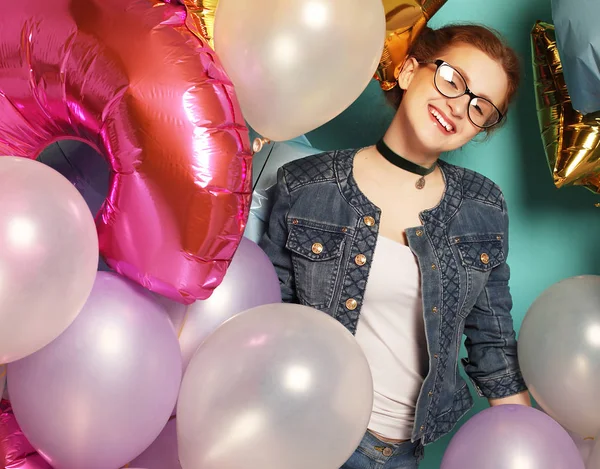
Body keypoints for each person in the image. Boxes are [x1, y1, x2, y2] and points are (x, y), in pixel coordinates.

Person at [259, 24, 531, 469]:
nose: (459, 106)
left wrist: (535, 449)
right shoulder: (307, 185)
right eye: (452, 79)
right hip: (304, 433)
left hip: (400, 455)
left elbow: (494, 349)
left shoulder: (481, 207)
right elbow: (270, 322)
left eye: (481, 106)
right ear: (408, 72)